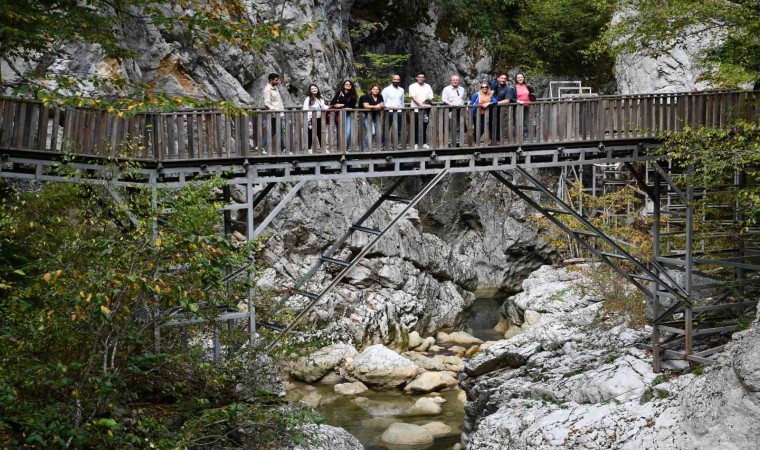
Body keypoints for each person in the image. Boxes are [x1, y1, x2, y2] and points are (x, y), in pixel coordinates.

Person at [409, 71, 434, 149]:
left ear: (425, 78)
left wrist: (426, 103)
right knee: (415, 126)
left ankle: (423, 142)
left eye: (422, 77)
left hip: (426, 110)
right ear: (417, 78)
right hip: (415, 110)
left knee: (424, 126)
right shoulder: (412, 86)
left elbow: (430, 97)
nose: (421, 78)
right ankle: (415, 143)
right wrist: (421, 105)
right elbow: (413, 97)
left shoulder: (428, 86)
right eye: (419, 77)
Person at [330, 79, 358, 149]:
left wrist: (341, 105)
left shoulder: (353, 95)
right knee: (339, 132)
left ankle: (346, 148)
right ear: (343, 85)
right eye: (346, 84)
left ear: (351, 86)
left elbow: (352, 106)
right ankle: (339, 148)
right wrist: (338, 105)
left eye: (349, 84)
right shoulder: (339, 93)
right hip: (339, 115)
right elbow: (332, 103)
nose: (348, 85)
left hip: (348, 115)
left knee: (348, 132)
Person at [262, 72, 286, 153]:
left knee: (275, 130)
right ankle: (283, 148)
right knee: (279, 130)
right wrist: (275, 110)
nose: (278, 81)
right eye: (276, 80)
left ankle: (261, 146)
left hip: (279, 113)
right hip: (275, 114)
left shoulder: (275, 88)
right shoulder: (267, 89)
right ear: (271, 80)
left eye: (278, 80)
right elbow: (267, 103)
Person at [441, 75, 467, 146]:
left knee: (459, 125)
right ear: (451, 81)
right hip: (450, 109)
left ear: (459, 81)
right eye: (453, 80)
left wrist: (461, 104)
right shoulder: (446, 89)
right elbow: (444, 99)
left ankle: (458, 141)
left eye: (457, 80)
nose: (455, 81)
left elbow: (463, 98)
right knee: (449, 125)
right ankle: (449, 141)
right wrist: (451, 104)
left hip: (460, 110)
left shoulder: (462, 89)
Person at [508, 73, 536, 139]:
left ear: (523, 78)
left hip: (527, 106)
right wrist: (518, 101)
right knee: (517, 121)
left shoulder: (528, 87)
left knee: (526, 122)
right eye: (518, 77)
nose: (520, 79)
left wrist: (532, 101)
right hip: (518, 107)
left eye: (521, 77)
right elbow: (510, 98)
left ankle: (525, 137)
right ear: (516, 79)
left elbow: (533, 95)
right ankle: (517, 137)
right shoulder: (513, 87)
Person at [302, 84, 328, 152]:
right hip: (311, 118)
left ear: (318, 89)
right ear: (310, 91)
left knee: (320, 133)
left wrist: (330, 107)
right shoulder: (308, 98)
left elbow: (323, 106)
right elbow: (305, 109)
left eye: (315, 88)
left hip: (319, 117)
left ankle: (323, 148)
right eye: (312, 89)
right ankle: (308, 149)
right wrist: (307, 120)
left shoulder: (321, 97)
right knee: (310, 134)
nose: (314, 90)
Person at [359, 85, 385, 150]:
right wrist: (376, 106)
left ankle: (370, 146)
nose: (375, 90)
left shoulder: (380, 96)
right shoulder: (366, 97)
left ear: (379, 91)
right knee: (371, 132)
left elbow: (382, 105)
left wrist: (375, 107)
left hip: (376, 117)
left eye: (377, 89)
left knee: (376, 133)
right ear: (371, 90)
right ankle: (365, 147)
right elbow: (366, 106)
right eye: (374, 89)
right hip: (366, 116)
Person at [381, 74, 404, 147]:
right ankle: (384, 144)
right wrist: (389, 106)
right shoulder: (386, 89)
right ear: (392, 80)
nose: (396, 81)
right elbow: (382, 102)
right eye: (395, 79)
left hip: (399, 112)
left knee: (399, 129)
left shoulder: (401, 90)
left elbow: (402, 102)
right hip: (389, 112)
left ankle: (396, 144)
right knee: (386, 128)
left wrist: (402, 109)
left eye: (398, 79)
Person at [492, 74, 511, 143]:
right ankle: (492, 140)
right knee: (489, 124)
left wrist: (495, 103)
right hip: (490, 109)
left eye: (504, 78)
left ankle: (498, 140)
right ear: (498, 78)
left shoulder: (507, 88)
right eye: (501, 78)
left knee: (499, 124)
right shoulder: (493, 85)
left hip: (500, 109)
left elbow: (507, 100)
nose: (503, 80)